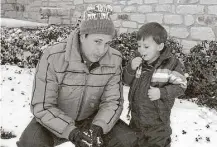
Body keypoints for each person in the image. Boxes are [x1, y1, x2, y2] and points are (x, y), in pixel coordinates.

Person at [16, 4, 131, 147]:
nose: (102, 50)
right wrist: (71, 131)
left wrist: (99, 126)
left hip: (92, 119)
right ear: (83, 36)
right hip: (55, 119)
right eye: (97, 41)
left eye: (107, 43)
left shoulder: (114, 59)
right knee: (31, 142)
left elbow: (112, 101)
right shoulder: (53, 57)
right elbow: (43, 105)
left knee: (127, 140)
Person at [123, 22, 187, 147]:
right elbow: (126, 81)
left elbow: (182, 85)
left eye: (146, 47)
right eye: (139, 46)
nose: (141, 50)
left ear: (159, 46)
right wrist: (130, 69)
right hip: (136, 120)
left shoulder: (170, 65)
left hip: (158, 125)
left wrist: (161, 92)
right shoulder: (138, 63)